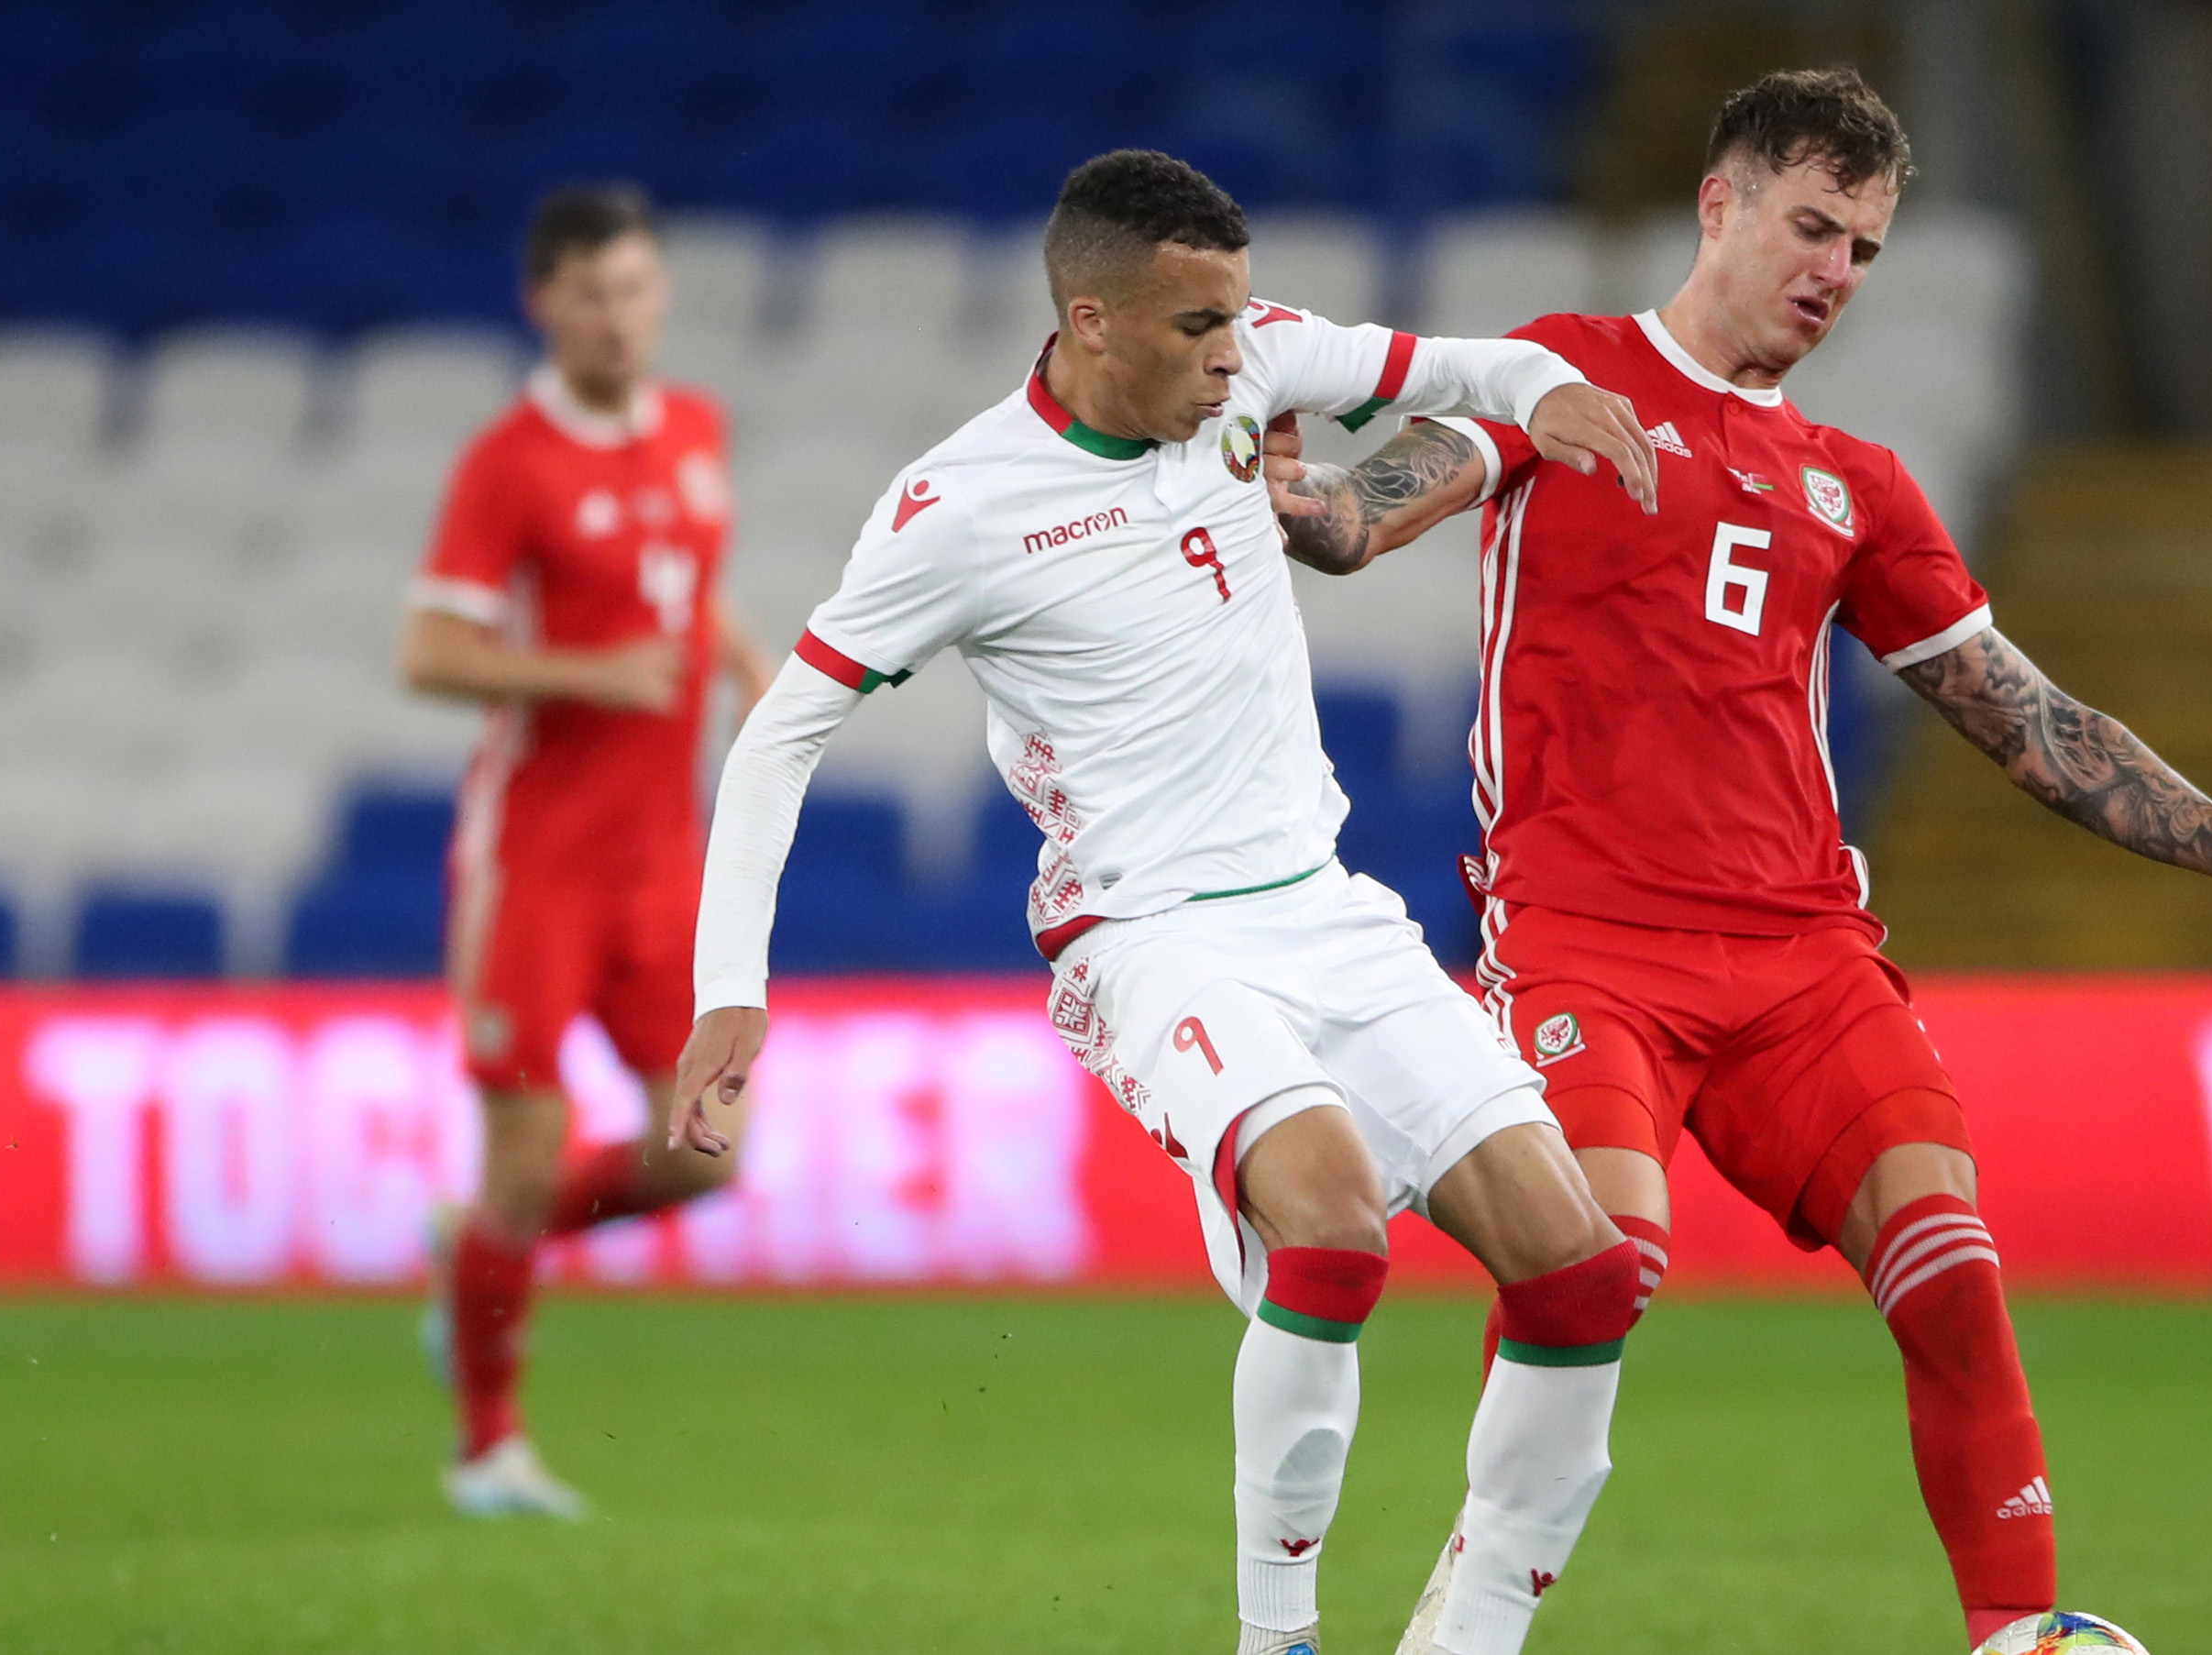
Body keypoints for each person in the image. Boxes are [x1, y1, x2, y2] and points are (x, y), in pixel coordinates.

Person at [1269, 70, 2212, 1654]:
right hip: (1589, 943)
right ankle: (1468, 1626)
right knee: (1594, 1276)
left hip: (1805, 963)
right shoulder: (1560, 378)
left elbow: (2027, 719)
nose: (1831, 272)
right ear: (1718, 206)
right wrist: (1303, 500)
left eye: (1864, 249)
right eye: (1810, 227)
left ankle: (2014, 1634)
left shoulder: (1855, 485)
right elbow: (1364, 512)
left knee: (1951, 1270)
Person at [668, 150, 1668, 1655]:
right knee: (1334, 1240)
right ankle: (1277, 1639)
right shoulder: (957, 507)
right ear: (1089, 321)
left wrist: (1543, 395)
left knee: (1584, 1278)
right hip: (1145, 934)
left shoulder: (1253, 368)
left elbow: (1453, 357)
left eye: (1239, 319)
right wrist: (727, 986)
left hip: (1326, 910)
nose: (1232, 353)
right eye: (1197, 326)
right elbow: (780, 732)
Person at [400, 183, 777, 1518]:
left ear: (659, 291)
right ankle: (487, 1447)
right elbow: (430, 650)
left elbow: (679, 571)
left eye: (635, 289)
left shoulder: (694, 429)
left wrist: (735, 654)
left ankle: (477, 1259)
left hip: (660, 860)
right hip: (538, 862)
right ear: (543, 305)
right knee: (527, 1141)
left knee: (706, 1144)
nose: (618, 317)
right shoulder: (509, 462)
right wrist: (584, 670)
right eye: (590, 295)